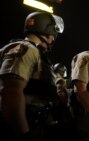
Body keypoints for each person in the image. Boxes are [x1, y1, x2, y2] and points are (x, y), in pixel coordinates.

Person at [0, 11, 64, 141]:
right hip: (21, 125)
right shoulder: (27, 49)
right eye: (53, 32)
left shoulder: (33, 51)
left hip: (32, 122)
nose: (53, 38)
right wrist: (24, 134)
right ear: (47, 30)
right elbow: (11, 93)